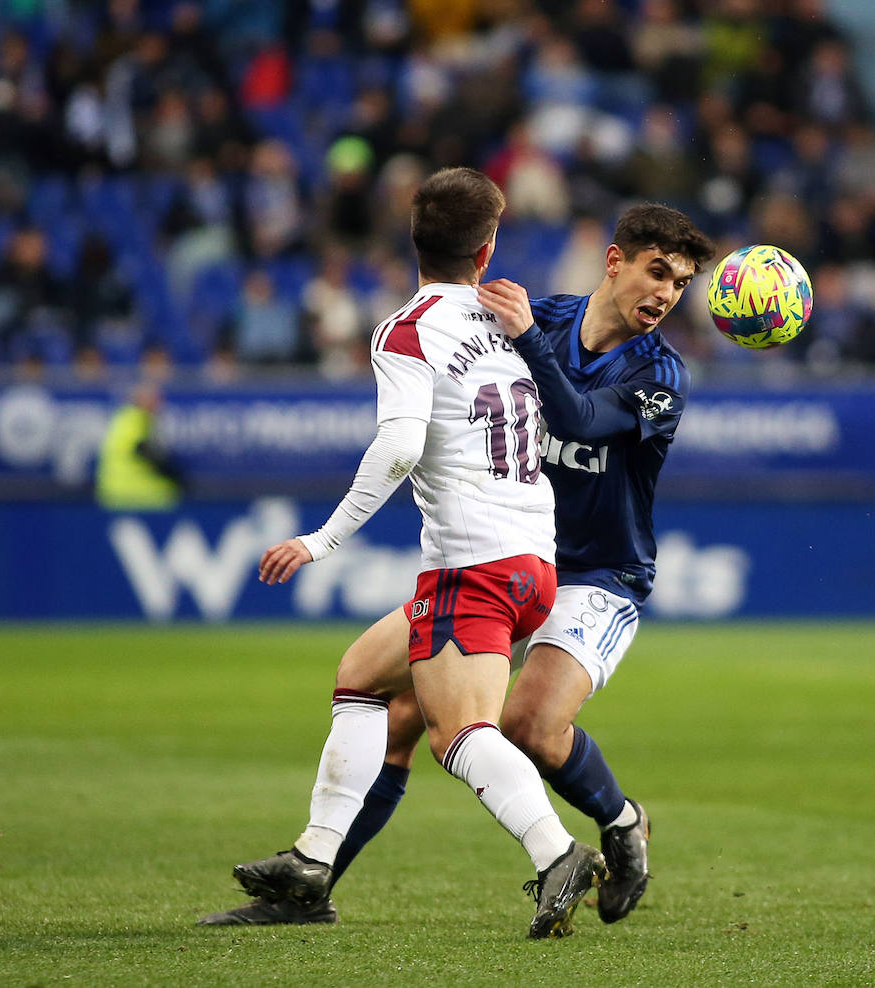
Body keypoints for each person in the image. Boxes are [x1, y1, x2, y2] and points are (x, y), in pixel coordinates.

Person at [201, 202, 717, 930]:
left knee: (529, 724)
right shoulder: (535, 316)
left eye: (681, 284)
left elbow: (579, 420)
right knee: (400, 712)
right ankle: (308, 890)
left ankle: (622, 820)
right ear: (615, 262)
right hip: (512, 553)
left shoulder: (659, 373)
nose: (665, 294)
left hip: (599, 572)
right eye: (656, 271)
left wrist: (528, 339)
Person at [95, 380, 184, 511]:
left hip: (115, 489)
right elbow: (142, 449)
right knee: (171, 494)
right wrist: (172, 473)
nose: (160, 404)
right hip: (128, 489)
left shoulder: (125, 418)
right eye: (155, 400)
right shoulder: (134, 417)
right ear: (141, 400)